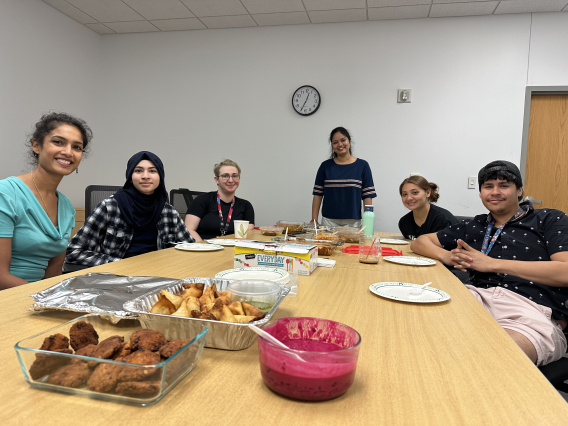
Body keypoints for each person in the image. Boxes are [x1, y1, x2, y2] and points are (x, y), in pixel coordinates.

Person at [411, 160, 568, 366]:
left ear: (519, 190)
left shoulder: (548, 219)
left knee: (493, 359)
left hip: (531, 310)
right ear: (480, 193)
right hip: (475, 299)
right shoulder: (474, 225)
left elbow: (565, 272)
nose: (495, 192)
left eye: (504, 185)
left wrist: (492, 263)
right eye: (488, 186)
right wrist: (447, 257)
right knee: (417, 331)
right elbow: (420, 242)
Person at [0, 113, 92, 288]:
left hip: (38, 298)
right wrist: (47, 299)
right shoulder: (5, 193)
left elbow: (53, 273)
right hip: (7, 299)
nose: (68, 152)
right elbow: (0, 277)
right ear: (36, 145)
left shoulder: (66, 206)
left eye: (77, 147)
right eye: (58, 142)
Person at [66, 151, 193, 266]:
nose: (145, 176)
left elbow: (190, 248)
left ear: (160, 177)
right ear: (130, 177)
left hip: (159, 275)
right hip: (117, 277)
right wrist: (120, 264)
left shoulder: (168, 212)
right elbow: (73, 251)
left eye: (152, 171)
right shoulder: (109, 207)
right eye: (138, 171)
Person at [311, 127, 376, 228]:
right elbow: (317, 194)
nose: (340, 144)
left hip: (353, 223)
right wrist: (314, 219)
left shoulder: (362, 165)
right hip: (328, 221)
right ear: (332, 145)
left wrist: (367, 222)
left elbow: (367, 196)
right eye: (335, 142)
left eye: (343, 140)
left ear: (349, 141)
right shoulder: (325, 166)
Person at [185, 159, 254, 241]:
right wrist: (203, 248)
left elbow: (248, 234)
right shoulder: (202, 200)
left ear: (239, 178)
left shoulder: (246, 205)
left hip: (233, 250)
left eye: (234, 176)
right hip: (204, 249)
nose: (231, 180)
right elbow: (189, 230)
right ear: (216, 179)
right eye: (225, 176)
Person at [398, 175, 458, 240]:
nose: (409, 198)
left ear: (428, 192)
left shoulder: (443, 220)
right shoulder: (404, 222)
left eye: (415, 193)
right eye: (405, 194)